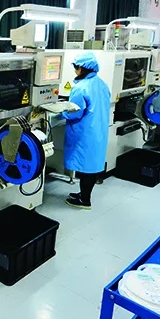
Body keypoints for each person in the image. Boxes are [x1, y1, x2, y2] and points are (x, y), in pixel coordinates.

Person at [61, 52, 110, 210]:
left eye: (76, 67)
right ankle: (83, 194)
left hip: (85, 132)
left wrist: (61, 112)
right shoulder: (101, 84)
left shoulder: (80, 88)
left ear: (81, 68)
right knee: (91, 164)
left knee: (87, 166)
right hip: (98, 130)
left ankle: (85, 200)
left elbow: (74, 113)